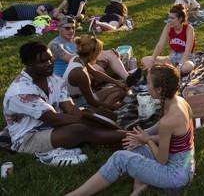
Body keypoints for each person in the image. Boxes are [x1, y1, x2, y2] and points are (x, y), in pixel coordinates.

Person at [66, 64, 195, 196]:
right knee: (132, 146)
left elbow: (162, 159)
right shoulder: (179, 101)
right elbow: (175, 138)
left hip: (176, 176)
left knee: (120, 158)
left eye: (148, 83)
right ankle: (139, 186)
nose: (146, 86)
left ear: (159, 90)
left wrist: (147, 140)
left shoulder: (168, 120)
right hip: (184, 166)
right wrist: (138, 136)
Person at [2, 41, 126, 154]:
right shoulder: (20, 92)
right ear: (28, 64)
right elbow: (54, 119)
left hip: (52, 125)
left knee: (89, 113)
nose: (49, 64)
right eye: (43, 61)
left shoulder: (53, 79)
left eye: (50, 59)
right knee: (80, 129)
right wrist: (86, 120)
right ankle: (128, 136)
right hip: (28, 138)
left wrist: (88, 116)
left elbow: (70, 108)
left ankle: (119, 132)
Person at [48, 16, 141, 84]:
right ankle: (109, 83)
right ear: (59, 28)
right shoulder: (55, 45)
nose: (71, 30)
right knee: (98, 68)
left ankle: (128, 78)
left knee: (109, 54)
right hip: (68, 77)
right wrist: (96, 56)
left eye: (73, 27)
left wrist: (107, 53)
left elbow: (88, 53)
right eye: (67, 28)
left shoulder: (76, 40)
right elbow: (73, 59)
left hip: (81, 67)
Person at [63, 35, 128, 109]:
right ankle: (103, 111)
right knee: (120, 92)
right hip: (76, 103)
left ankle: (105, 108)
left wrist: (117, 82)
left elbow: (95, 72)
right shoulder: (80, 74)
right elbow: (91, 101)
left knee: (119, 88)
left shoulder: (77, 58)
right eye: (98, 53)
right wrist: (114, 107)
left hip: (78, 98)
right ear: (93, 53)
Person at [142, 4, 196, 75]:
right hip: (172, 57)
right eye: (169, 18)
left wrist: (180, 66)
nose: (169, 20)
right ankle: (172, 70)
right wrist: (152, 60)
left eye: (172, 18)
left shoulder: (189, 29)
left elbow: (187, 50)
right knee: (145, 60)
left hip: (186, 58)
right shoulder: (168, 27)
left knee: (186, 68)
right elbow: (160, 45)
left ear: (180, 19)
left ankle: (171, 69)